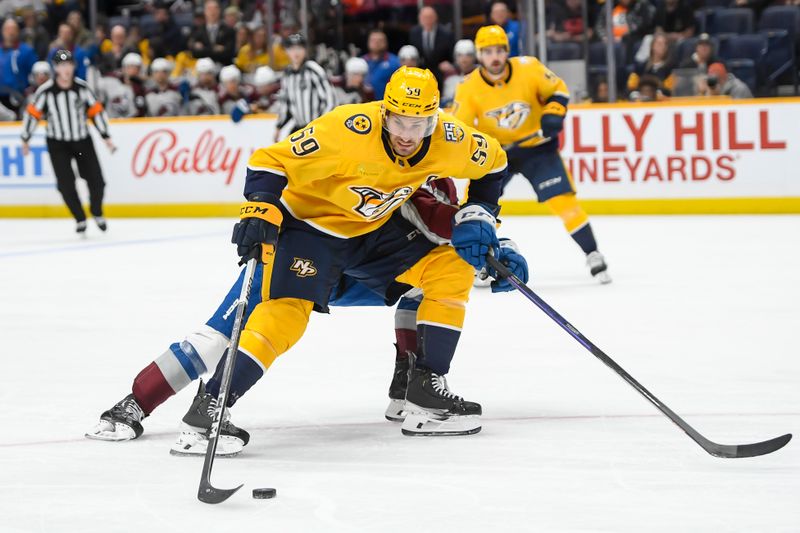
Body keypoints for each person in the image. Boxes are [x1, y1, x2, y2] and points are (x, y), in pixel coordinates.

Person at [182, 67, 519, 440]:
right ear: (385, 112)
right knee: (286, 314)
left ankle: (425, 390)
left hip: (371, 229)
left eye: (419, 124)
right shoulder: (347, 128)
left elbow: (495, 162)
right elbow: (269, 160)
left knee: (450, 267)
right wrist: (260, 206)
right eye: (399, 122)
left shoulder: (449, 138)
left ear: (434, 118)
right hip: (311, 226)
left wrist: (479, 213)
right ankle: (211, 403)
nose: (407, 135)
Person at [86, 175, 527, 450]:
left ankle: (409, 389)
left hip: (356, 273)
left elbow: (446, 227)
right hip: (299, 255)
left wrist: (501, 249)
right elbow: (444, 223)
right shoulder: (374, 165)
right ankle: (134, 404)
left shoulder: (434, 177)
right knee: (214, 340)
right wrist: (494, 248)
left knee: (424, 288)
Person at [453, 26, 611, 283]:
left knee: (563, 202)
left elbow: (558, 92)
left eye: (499, 50)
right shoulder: (468, 87)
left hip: (538, 149)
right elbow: (461, 129)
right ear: (479, 55)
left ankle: (593, 253)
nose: (494, 57)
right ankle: (479, 262)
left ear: (507, 51)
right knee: (478, 210)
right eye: (488, 52)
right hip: (497, 156)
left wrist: (553, 113)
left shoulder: (529, 68)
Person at [20, 50, 116, 234]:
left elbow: (96, 112)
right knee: (65, 184)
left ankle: (96, 211)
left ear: (73, 66)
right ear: (55, 68)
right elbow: (32, 115)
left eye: (68, 65)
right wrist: (25, 138)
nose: (65, 69)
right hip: (58, 144)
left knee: (97, 181)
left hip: (81, 141)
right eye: (61, 65)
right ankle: (80, 217)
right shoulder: (46, 91)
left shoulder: (82, 88)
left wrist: (106, 136)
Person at [273, 33, 336, 141]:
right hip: (299, 128)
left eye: (299, 48)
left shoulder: (313, 70)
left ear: (305, 50)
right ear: (287, 51)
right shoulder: (287, 74)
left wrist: (322, 124)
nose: (295, 52)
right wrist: (279, 127)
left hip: (317, 127)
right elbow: (286, 104)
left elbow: (330, 100)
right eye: (292, 48)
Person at [409, 6, 455, 85]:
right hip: (420, 74)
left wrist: (449, 64)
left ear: (435, 18)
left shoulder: (446, 34)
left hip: (441, 74)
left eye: (430, 17)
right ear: (419, 18)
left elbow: (452, 56)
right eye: (424, 17)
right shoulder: (414, 33)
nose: (427, 20)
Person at [1, 17, 36, 117]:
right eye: (8, 29)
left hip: (21, 97)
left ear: (18, 31)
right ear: (2, 31)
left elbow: (34, 74)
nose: (10, 32)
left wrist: (29, 90)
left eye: (13, 29)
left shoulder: (27, 51)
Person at [99, 52, 148, 118]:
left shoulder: (140, 88)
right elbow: (100, 101)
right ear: (124, 67)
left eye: (136, 67)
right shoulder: (110, 80)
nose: (133, 70)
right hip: (111, 121)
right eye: (130, 66)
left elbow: (140, 111)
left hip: (130, 123)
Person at [627, 32, 675, 96]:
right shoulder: (641, 67)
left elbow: (669, 90)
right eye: (659, 44)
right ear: (652, 46)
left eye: (665, 44)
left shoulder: (670, 68)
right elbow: (631, 86)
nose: (662, 47)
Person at [190, 0, 236, 65]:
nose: (212, 11)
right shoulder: (197, 30)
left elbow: (228, 53)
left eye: (215, 8)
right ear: (205, 11)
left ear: (219, 11)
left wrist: (204, 49)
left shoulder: (228, 30)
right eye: (209, 9)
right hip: (204, 67)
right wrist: (214, 49)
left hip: (223, 66)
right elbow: (194, 53)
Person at [362, 29, 400, 100]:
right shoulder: (361, 61)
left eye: (380, 40)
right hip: (364, 105)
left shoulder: (395, 62)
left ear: (386, 43)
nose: (376, 43)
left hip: (386, 104)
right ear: (368, 42)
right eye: (373, 40)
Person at [442, 39, 477, 107]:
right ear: (455, 57)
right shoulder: (450, 75)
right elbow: (445, 102)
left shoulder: (481, 73)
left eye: (468, 55)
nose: (464, 59)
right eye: (460, 55)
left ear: (474, 56)